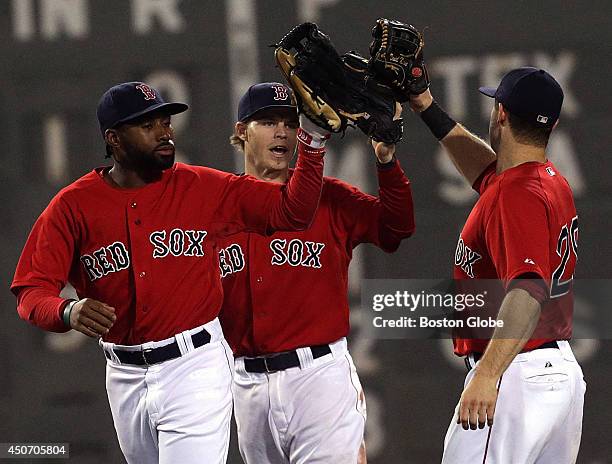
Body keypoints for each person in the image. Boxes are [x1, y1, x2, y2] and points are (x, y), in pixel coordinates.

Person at [10, 81, 327, 464]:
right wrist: (66, 311)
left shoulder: (203, 187)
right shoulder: (73, 206)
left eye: (166, 121)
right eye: (147, 125)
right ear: (113, 138)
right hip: (123, 374)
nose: (164, 132)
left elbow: (293, 212)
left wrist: (313, 143)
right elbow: (30, 291)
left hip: (194, 365)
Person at [218, 82, 416, 463]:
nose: (282, 132)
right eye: (268, 121)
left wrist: (387, 161)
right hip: (247, 386)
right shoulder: (219, 205)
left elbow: (396, 228)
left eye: (290, 124)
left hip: (318, 378)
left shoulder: (331, 199)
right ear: (242, 131)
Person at [409, 68, 585, 462]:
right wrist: (425, 105)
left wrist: (488, 375)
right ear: (552, 124)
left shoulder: (515, 194)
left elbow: (527, 292)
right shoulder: (545, 179)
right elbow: (487, 172)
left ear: (500, 113)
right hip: (555, 373)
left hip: (515, 372)